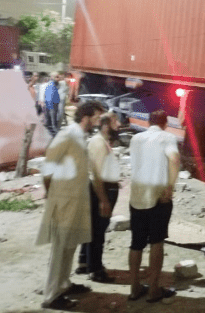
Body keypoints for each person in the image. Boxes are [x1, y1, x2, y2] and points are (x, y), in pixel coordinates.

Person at [36, 100, 105, 310]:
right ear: (86, 116)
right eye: (96, 117)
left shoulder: (81, 136)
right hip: (64, 200)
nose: (98, 121)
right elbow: (48, 166)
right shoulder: (67, 134)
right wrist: (51, 193)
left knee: (70, 245)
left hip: (76, 200)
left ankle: (64, 284)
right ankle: (51, 296)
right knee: (60, 248)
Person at [127, 109, 179, 303]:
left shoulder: (136, 139)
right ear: (165, 123)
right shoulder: (167, 137)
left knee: (136, 243)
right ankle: (154, 289)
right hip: (158, 196)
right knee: (156, 242)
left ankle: (134, 288)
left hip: (137, 196)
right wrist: (170, 187)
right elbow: (174, 159)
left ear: (148, 122)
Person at [75, 111, 121, 283]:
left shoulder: (102, 142)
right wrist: (103, 200)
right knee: (98, 231)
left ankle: (85, 262)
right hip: (101, 192)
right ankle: (96, 269)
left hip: (105, 189)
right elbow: (96, 174)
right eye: (115, 121)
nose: (118, 124)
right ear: (106, 124)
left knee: (92, 227)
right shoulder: (98, 143)